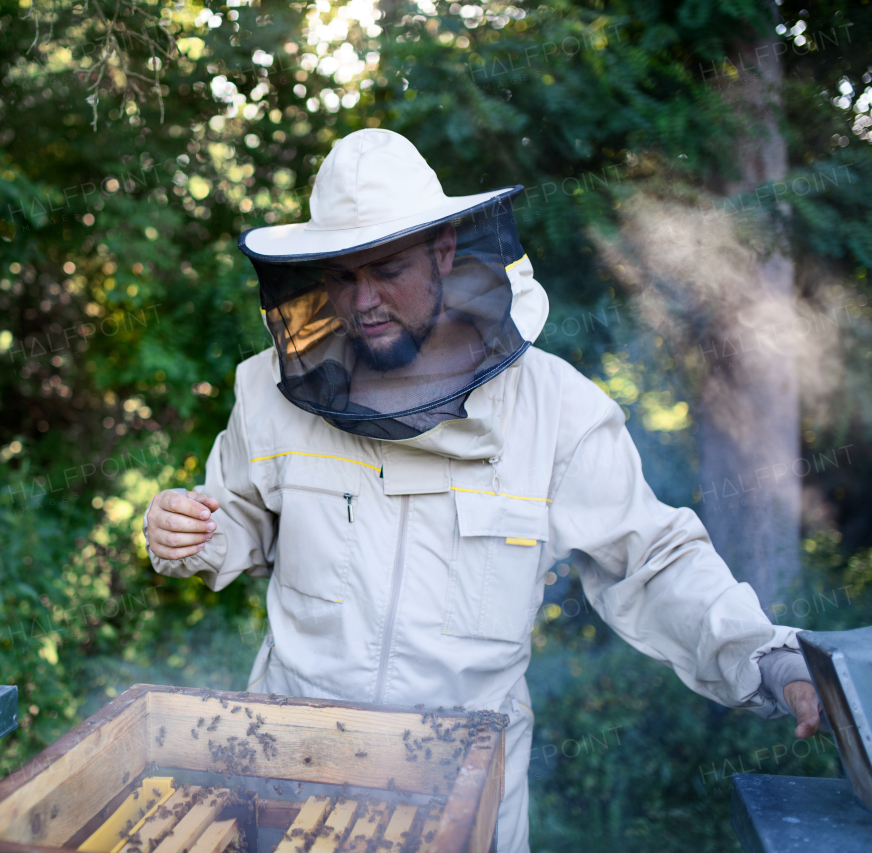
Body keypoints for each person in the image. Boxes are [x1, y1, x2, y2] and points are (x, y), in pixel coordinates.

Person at [143, 128, 820, 853]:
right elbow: (241, 513)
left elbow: (652, 563)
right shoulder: (269, 389)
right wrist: (193, 530)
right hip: (291, 784)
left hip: (461, 799)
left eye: (388, 269)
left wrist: (772, 660)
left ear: (443, 254)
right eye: (341, 275)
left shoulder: (555, 407)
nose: (363, 299)